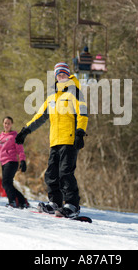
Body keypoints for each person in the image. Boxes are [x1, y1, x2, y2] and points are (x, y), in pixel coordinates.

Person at [15, 62, 88, 218]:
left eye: (64, 74)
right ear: (56, 77)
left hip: (69, 140)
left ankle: (72, 205)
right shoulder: (52, 98)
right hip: (55, 140)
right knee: (51, 174)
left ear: (68, 75)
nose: (61, 77)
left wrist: (80, 132)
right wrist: (25, 130)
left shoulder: (76, 93)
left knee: (65, 173)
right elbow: (40, 117)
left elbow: (83, 114)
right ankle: (55, 202)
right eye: (58, 75)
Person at [0, 116, 29, 208]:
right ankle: (22, 201)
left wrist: (22, 160)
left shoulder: (15, 136)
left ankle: (12, 202)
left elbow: (20, 150)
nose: (6, 125)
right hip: (3, 163)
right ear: (3, 124)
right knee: (7, 184)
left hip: (11, 162)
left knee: (6, 183)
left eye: (8, 123)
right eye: (5, 123)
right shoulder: (0, 137)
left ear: (11, 124)